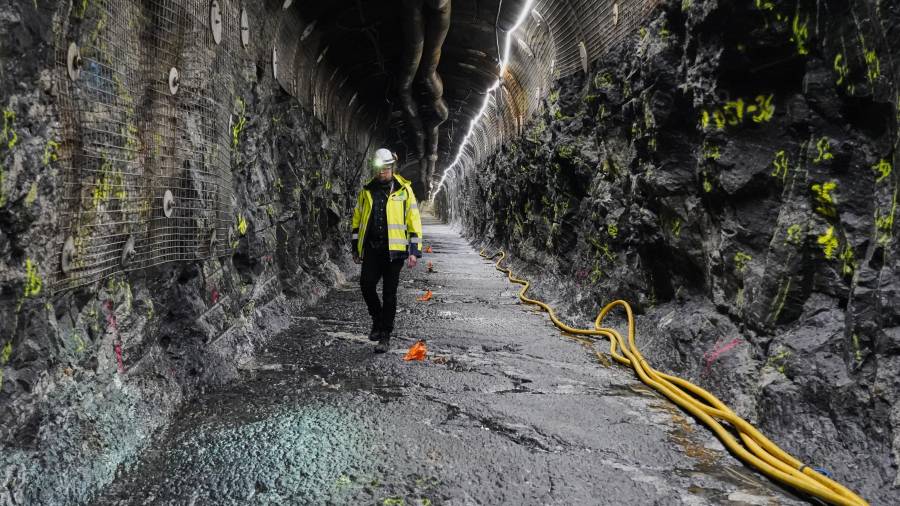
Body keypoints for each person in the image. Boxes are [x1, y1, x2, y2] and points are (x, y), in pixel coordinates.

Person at [350, 148, 424, 353]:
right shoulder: (367, 191)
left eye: (385, 169)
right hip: (373, 249)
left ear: (392, 168)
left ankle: (385, 335)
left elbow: (413, 221)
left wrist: (413, 250)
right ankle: (377, 318)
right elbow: (358, 219)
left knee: (390, 294)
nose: (381, 173)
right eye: (378, 169)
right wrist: (355, 247)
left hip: (396, 251)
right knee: (366, 285)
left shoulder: (404, 190)